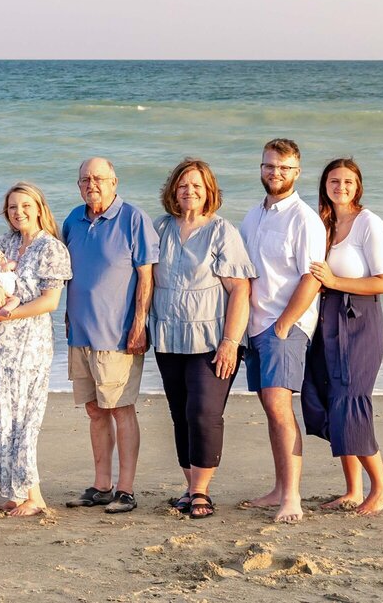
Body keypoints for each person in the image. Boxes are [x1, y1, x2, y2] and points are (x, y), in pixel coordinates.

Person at [151, 157, 254, 520]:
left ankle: (201, 491)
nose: (189, 191)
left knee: (204, 413)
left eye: (196, 185)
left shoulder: (222, 231)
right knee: (180, 415)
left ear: (209, 190)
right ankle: (190, 485)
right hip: (168, 336)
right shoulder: (160, 228)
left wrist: (231, 341)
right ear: (173, 192)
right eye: (183, 185)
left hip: (212, 339)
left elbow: (240, 290)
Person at [60, 157, 157, 515]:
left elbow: (146, 276)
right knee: (94, 410)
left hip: (118, 334)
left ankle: (126, 490)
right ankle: (101, 485)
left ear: (115, 182)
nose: (92, 184)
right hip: (80, 334)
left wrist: (139, 323)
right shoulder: (73, 219)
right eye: (85, 179)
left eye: (100, 178)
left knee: (120, 408)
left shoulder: (134, 219)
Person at [0, 183, 72, 516]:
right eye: (13, 207)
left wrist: (8, 312)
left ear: (39, 208)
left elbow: (50, 301)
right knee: (1, 418)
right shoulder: (5, 243)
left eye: (26, 206)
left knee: (25, 420)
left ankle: (34, 496)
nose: (19, 212)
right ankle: (15, 490)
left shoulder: (51, 248)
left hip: (30, 346)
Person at [239, 138, 327, 523]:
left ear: (297, 173)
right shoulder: (252, 216)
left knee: (279, 407)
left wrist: (285, 324)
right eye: (270, 166)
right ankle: (278, 487)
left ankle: (292, 497)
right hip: (255, 326)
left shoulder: (303, 218)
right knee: (271, 409)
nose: (276, 173)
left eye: (285, 168)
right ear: (261, 168)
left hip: (284, 327)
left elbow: (312, 277)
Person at [303, 157, 383, 516]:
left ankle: (381, 485)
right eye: (333, 180)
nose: (340, 187)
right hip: (325, 321)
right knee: (322, 397)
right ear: (324, 184)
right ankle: (353, 489)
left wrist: (334, 282)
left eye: (347, 181)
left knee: (350, 401)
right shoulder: (323, 223)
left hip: (358, 321)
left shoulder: (369, 223)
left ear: (358, 186)